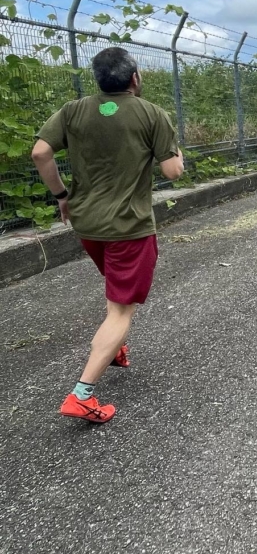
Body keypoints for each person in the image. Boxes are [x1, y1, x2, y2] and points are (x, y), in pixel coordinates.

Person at [32, 47, 184, 423]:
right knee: (121, 309)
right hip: (129, 228)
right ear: (135, 78)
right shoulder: (153, 114)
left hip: (87, 225)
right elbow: (172, 173)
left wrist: (62, 197)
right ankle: (82, 395)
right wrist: (175, 151)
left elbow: (40, 153)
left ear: (98, 79)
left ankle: (114, 348)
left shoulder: (72, 110)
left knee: (116, 292)